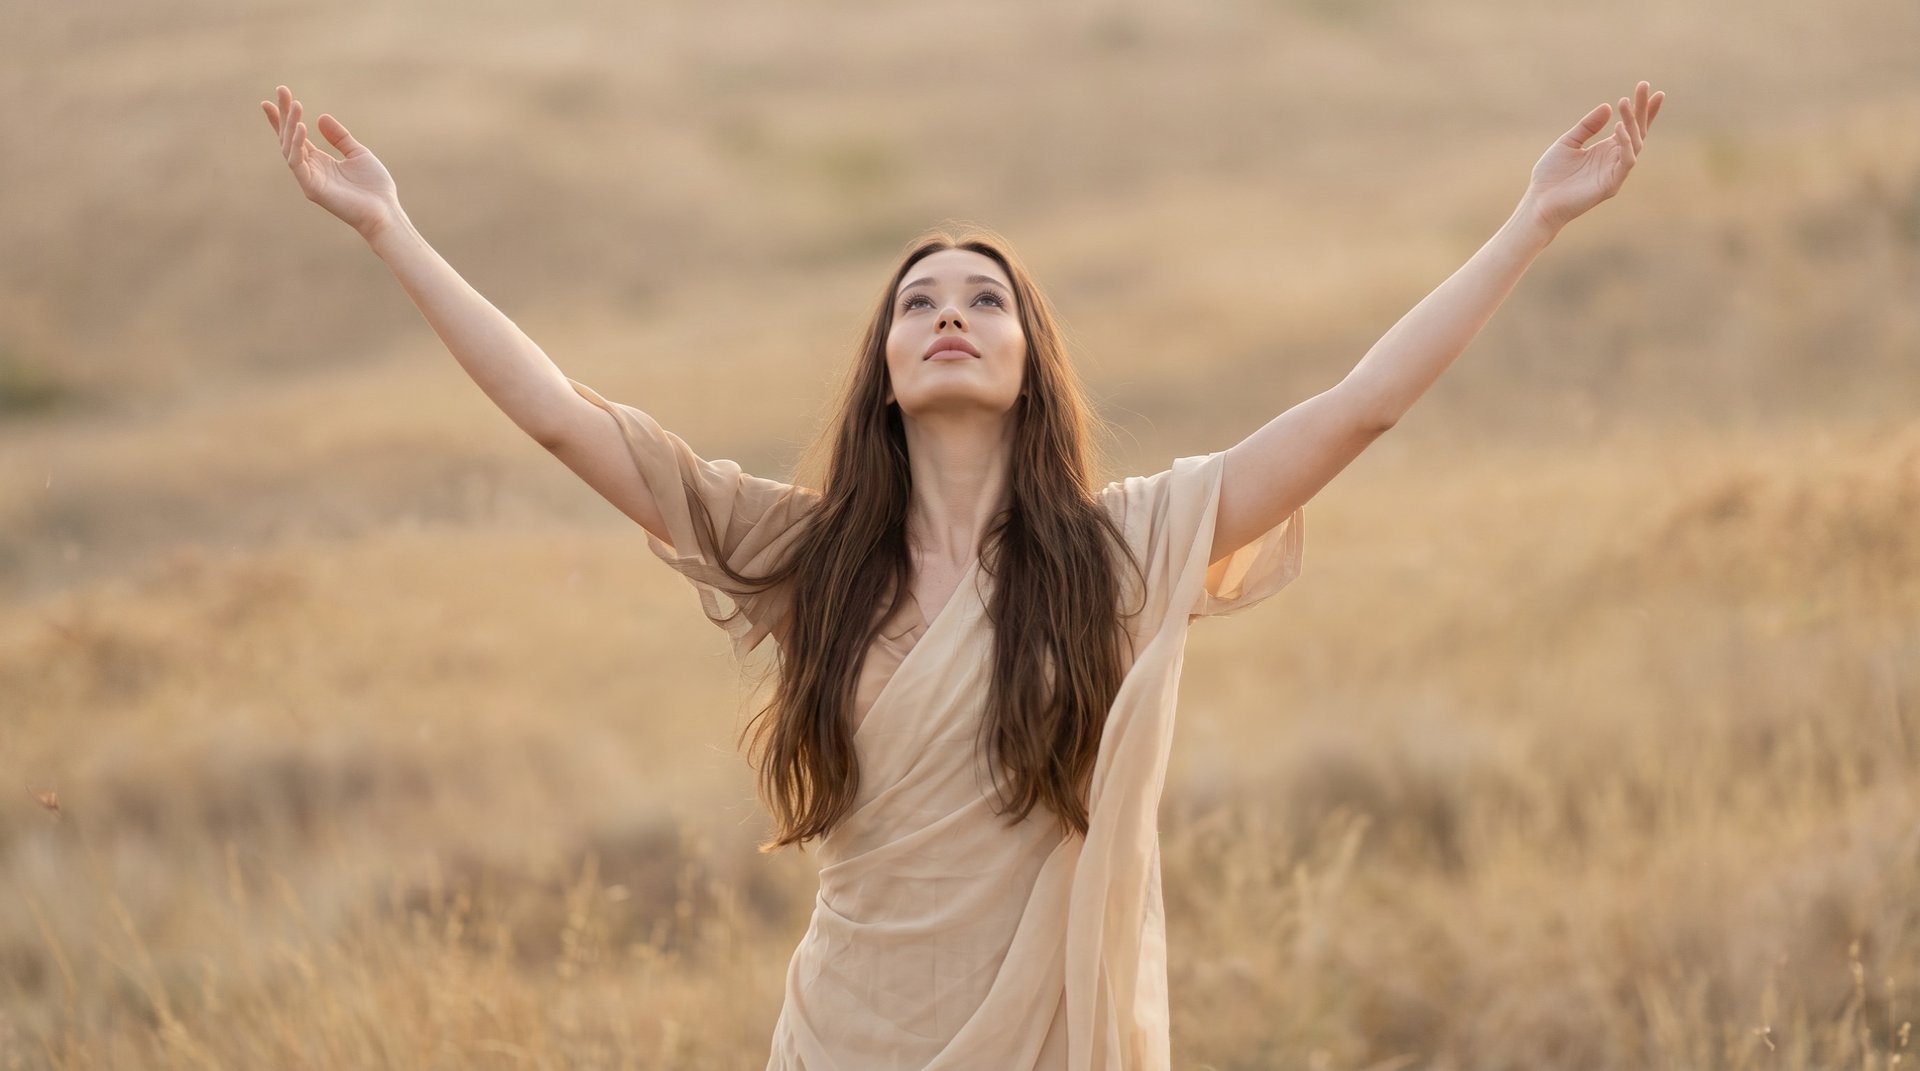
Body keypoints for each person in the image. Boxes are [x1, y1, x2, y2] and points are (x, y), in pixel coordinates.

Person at [260, 80, 1663, 1069]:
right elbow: (563, 414)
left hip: (1044, 1044)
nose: (948, 313)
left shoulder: (1124, 546)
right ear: (882, 364)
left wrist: (1532, 221)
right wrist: (392, 227)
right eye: (917, 300)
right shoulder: (802, 553)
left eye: (983, 298)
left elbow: (1360, 406)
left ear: (1028, 360)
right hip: (844, 1039)